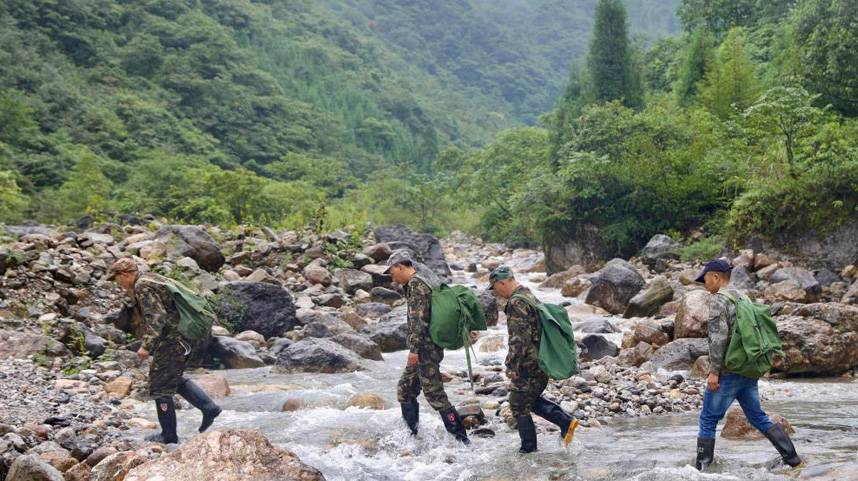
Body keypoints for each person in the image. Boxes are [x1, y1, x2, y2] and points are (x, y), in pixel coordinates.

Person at [694, 259, 802, 471]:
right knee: (757, 417)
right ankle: (794, 461)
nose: (704, 284)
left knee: (708, 419)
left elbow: (718, 339)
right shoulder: (743, 297)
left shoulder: (718, 300)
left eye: (705, 279)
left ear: (716, 277)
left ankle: (701, 471)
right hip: (748, 369)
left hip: (728, 371)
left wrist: (714, 372)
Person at [109, 258, 222, 444]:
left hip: (173, 340)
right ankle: (209, 408)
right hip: (181, 337)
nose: (117, 283)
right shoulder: (151, 278)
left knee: (159, 386)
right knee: (172, 378)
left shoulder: (142, 286)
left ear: (125, 275)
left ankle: (168, 435)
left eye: (116, 279)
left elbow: (157, 317)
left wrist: (147, 345)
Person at [489, 266, 579, 453]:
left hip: (529, 363)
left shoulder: (516, 303)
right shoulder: (527, 294)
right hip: (540, 359)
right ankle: (566, 423)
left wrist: (512, 365)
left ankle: (528, 449)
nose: (496, 292)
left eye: (495, 288)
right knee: (530, 399)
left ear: (502, 283)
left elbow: (519, 338)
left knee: (518, 404)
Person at [386, 250, 470, 444]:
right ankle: (412, 436)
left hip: (425, 349)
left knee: (435, 395)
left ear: (401, 266)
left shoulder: (416, 285)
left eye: (392, 271)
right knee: (406, 390)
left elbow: (419, 320)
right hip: (428, 346)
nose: (392, 276)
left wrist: (414, 350)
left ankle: (461, 440)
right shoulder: (422, 281)